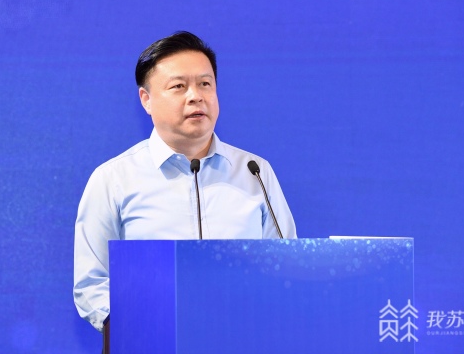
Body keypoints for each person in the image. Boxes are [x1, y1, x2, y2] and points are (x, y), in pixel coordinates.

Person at [73, 31, 297, 333]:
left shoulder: (254, 171)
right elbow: (92, 284)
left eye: (205, 84)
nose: (196, 96)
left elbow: (285, 266)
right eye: (179, 86)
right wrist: (135, 327)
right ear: (146, 100)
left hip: (244, 334)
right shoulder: (113, 179)